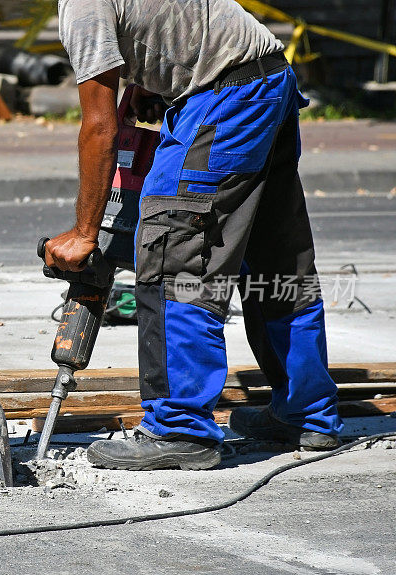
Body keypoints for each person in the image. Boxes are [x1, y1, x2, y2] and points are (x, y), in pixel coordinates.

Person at [44, 0, 343, 471]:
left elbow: (99, 127)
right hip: (268, 77)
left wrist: (84, 234)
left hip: (222, 96)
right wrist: (149, 80)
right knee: (278, 262)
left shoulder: (82, 6)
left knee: (173, 258)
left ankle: (179, 429)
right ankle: (307, 414)